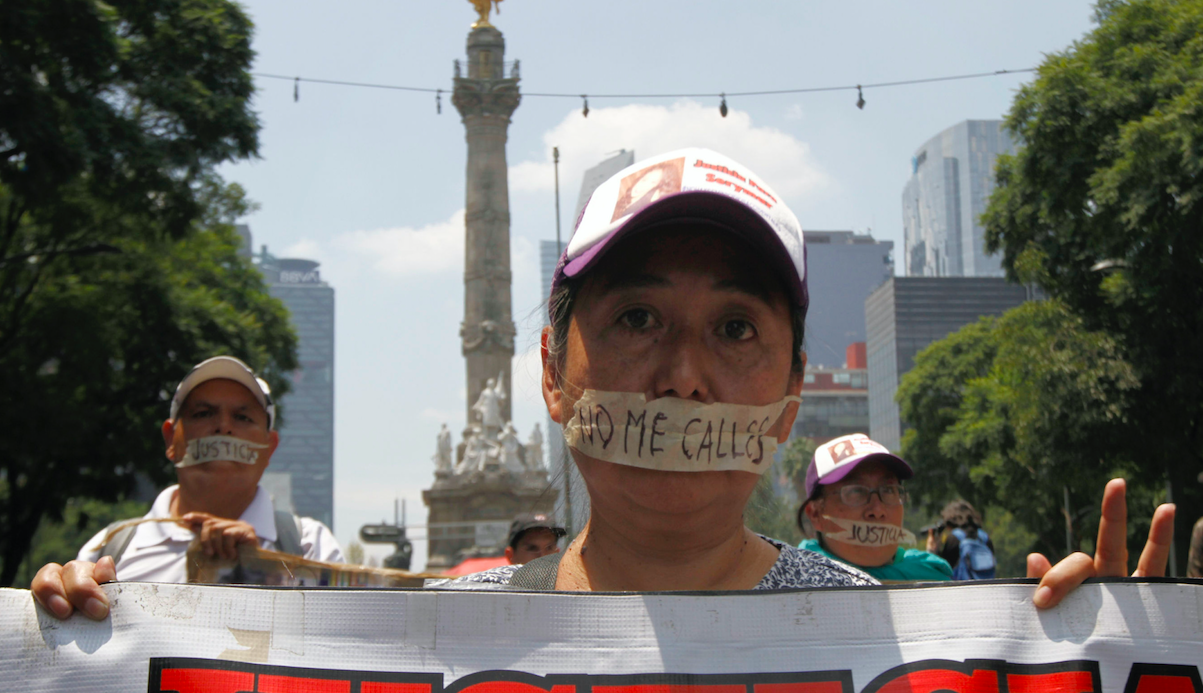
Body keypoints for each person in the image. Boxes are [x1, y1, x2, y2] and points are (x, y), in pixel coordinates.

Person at [451, 148, 1174, 603]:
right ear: (552, 370)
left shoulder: (903, 643)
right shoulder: (437, 640)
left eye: (735, 329)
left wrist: (1108, 660)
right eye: (638, 318)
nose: (683, 378)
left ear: (792, 395)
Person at [31, 356, 343, 620]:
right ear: (171, 440)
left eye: (243, 416)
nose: (223, 428)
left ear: (269, 447)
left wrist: (263, 570)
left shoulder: (308, 546)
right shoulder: (109, 549)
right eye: (203, 414)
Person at [796, 434, 952, 582]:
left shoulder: (934, 579)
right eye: (855, 491)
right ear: (816, 514)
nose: (877, 511)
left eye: (889, 490)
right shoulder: (793, 584)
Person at [927, 499, 997, 580]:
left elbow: (943, 570)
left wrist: (932, 550)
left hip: (963, 590)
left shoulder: (955, 538)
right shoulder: (984, 538)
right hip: (986, 588)